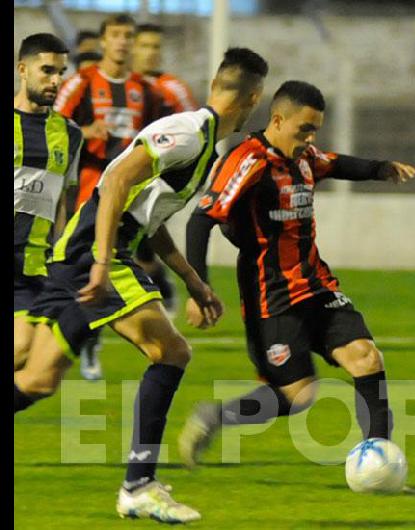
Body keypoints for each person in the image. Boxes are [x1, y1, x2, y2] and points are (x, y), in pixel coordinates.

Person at [14, 47, 269, 523]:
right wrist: (103, 262)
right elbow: (113, 187)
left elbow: (148, 215)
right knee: (172, 352)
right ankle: (138, 485)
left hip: (90, 249)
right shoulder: (189, 135)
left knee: (37, 379)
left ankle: (139, 485)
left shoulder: (201, 138)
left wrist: (192, 280)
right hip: (97, 250)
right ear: (252, 98)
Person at [176, 80, 415, 469]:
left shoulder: (304, 158)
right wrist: (198, 288)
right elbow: (202, 219)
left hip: (318, 286)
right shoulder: (248, 160)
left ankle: (379, 462)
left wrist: (380, 169)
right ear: (277, 120)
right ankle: (215, 417)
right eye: (304, 129)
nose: (311, 138)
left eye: (315, 129)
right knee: (298, 397)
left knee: (367, 359)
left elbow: (335, 163)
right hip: (271, 299)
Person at [55, 13, 163, 380]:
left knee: (100, 273)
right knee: (75, 272)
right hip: (84, 196)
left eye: (128, 36)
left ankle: (88, 347)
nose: (122, 42)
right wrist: (87, 131)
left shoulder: (145, 92)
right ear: (103, 41)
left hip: (125, 202)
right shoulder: (80, 83)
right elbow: (52, 128)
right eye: (115, 35)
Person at [14, 33, 83, 371]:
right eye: (46, 71)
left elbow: (62, 201)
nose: (55, 81)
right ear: (22, 69)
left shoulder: (70, 134)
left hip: (30, 267)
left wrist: (61, 252)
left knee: (23, 350)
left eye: (61, 72)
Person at [130, 22, 201, 316]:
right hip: (120, 175)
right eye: (145, 45)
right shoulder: (118, 85)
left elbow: (197, 131)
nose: (151, 53)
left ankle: (155, 287)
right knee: (137, 241)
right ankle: (158, 282)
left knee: (142, 236)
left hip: (158, 179)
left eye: (156, 46)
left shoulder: (173, 89)